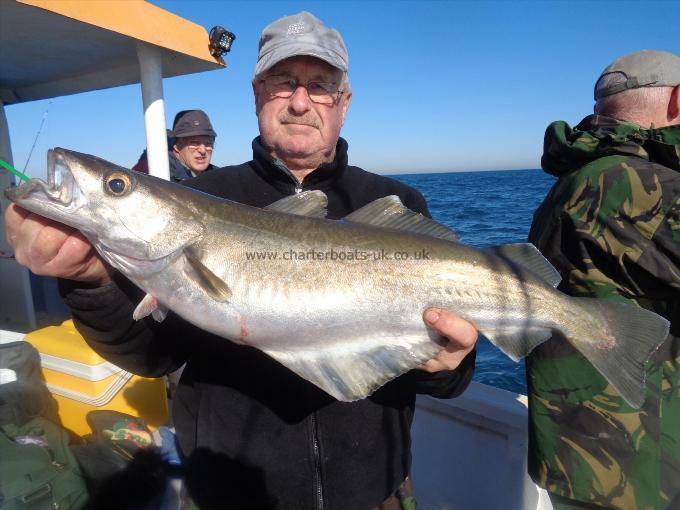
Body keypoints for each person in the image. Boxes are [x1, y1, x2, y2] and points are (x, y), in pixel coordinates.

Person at [5, 12, 478, 510]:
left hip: (375, 491)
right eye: (282, 82)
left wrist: (447, 364)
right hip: (228, 494)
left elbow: (446, 373)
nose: (300, 101)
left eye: (320, 85)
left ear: (344, 102)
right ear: (257, 93)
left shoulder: (396, 205)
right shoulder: (206, 193)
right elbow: (151, 357)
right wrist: (90, 282)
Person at [526, 50, 680, 510]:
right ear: (676, 101)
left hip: (588, 452)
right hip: (642, 463)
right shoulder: (640, 186)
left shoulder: (578, 179)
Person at [132, 109, 218, 181]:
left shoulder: (219, 178)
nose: (202, 150)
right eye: (194, 143)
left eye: (208, 144)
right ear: (176, 146)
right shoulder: (158, 178)